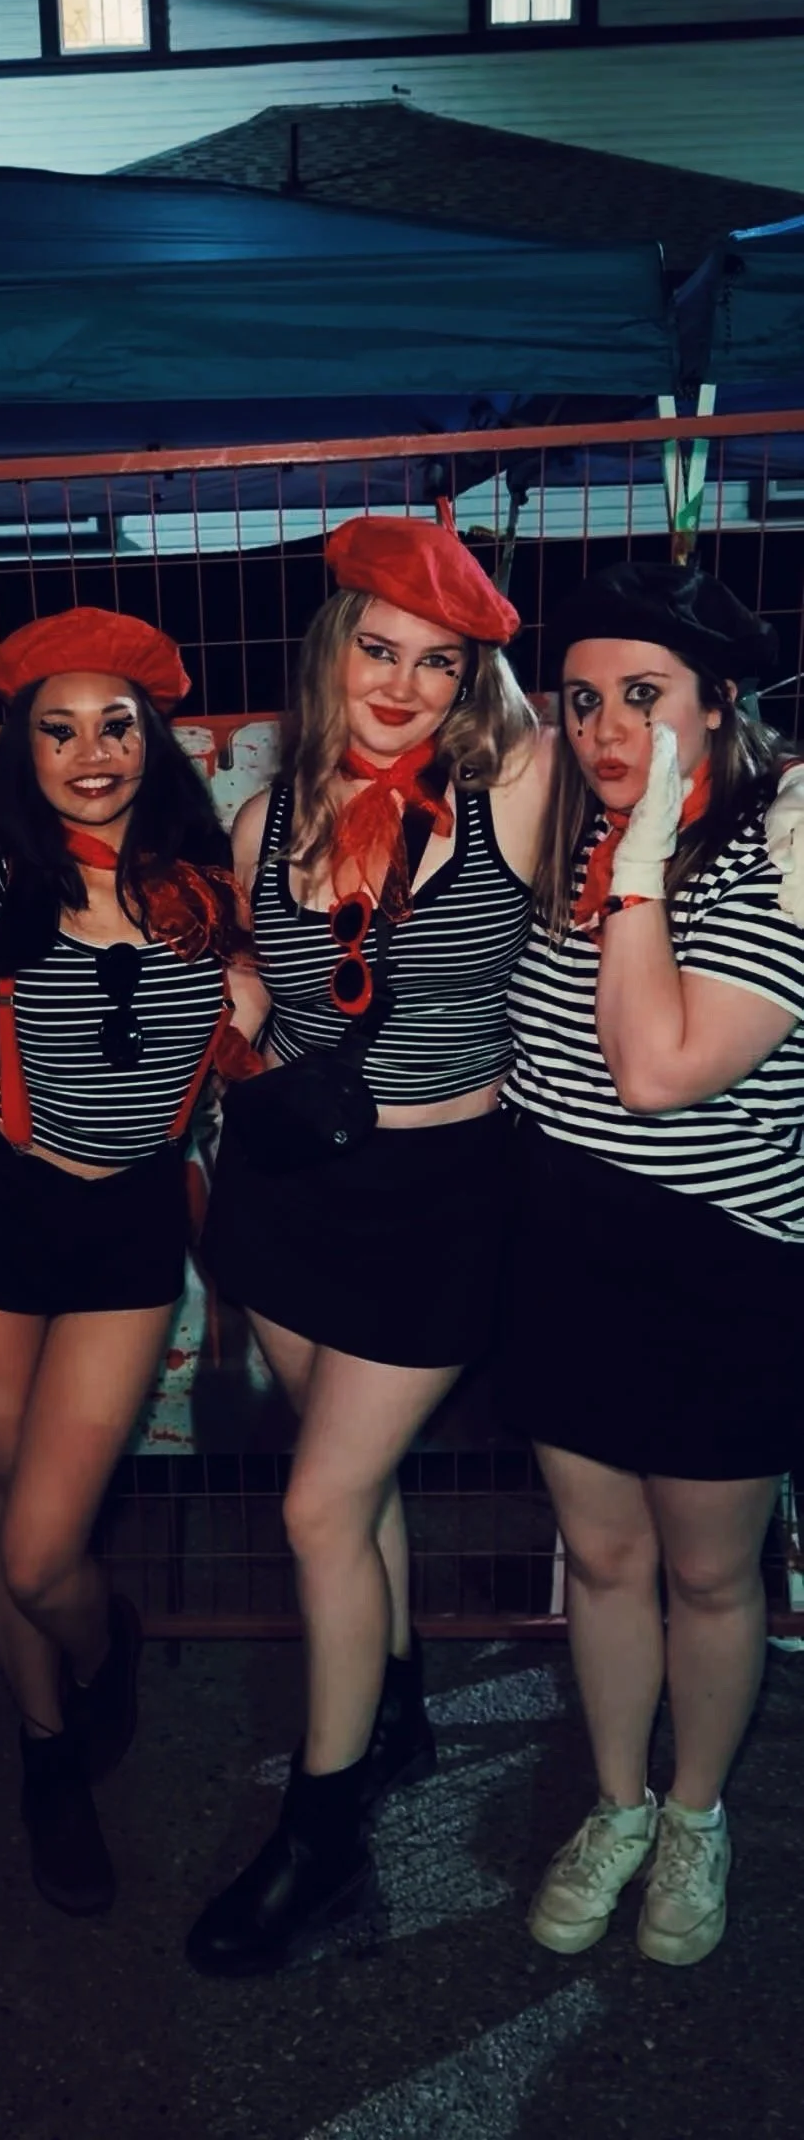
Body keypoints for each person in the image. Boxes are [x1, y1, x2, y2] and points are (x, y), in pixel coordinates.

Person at [185, 511, 553, 1976]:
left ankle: (322, 1841)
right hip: (287, 1194)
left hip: (440, 1198)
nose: (400, 686)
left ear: (471, 682)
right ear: (332, 654)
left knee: (317, 1510)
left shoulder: (509, 786)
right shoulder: (259, 819)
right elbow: (259, 992)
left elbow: (639, 734)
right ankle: (393, 1706)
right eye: (378, 652)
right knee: (352, 1475)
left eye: (437, 662)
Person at [0, 604, 253, 1919]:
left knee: (41, 1551)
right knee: (11, 1521)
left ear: (154, 737)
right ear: (23, 751)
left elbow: (286, 1030)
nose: (90, 750)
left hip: (126, 1228)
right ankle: (46, 1752)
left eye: (115, 722)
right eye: (57, 730)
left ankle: (101, 1646)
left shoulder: (212, 886)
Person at [503, 561, 804, 1967]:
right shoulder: (562, 837)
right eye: (581, 702)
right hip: (565, 1248)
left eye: (643, 697)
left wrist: (637, 870)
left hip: (722, 1269)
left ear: (718, 708)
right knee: (602, 1555)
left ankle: (694, 1814)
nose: (607, 729)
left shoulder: (780, 848)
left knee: (708, 1575)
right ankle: (615, 1804)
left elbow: (652, 1070)